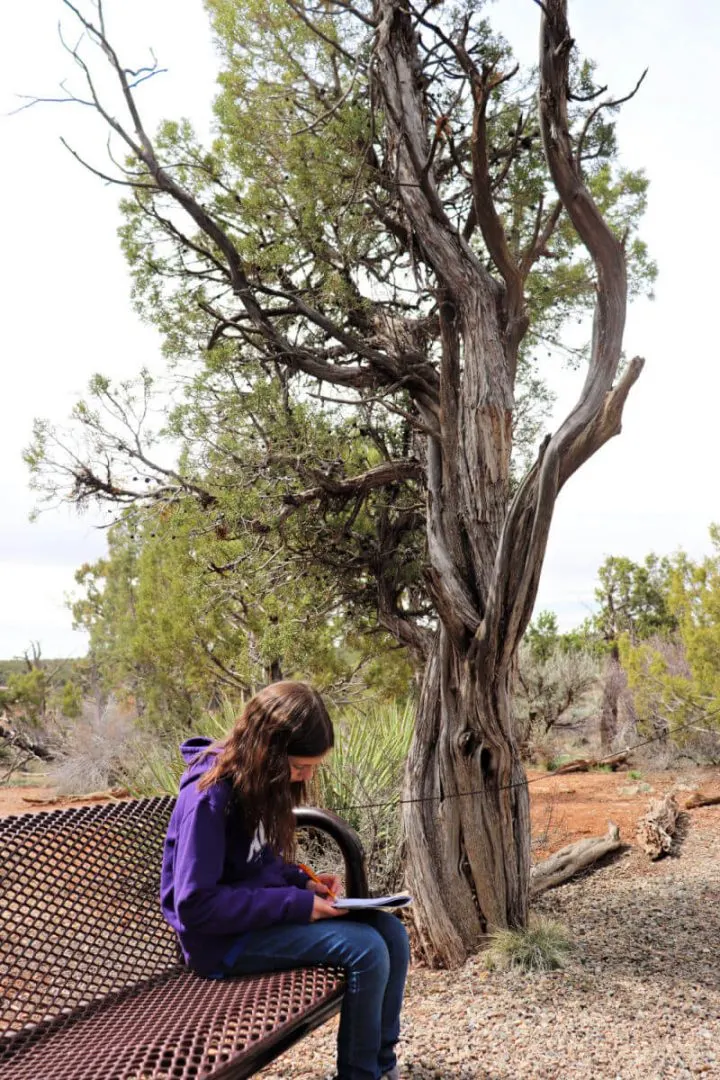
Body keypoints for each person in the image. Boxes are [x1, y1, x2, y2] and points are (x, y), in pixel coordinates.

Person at [160, 680, 409, 1080]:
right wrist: (297, 905)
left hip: (253, 924)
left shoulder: (254, 781)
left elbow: (254, 863)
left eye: (311, 767)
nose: (302, 777)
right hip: (221, 944)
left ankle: (382, 1066)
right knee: (366, 949)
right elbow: (195, 905)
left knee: (391, 933)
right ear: (267, 750)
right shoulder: (209, 799)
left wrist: (300, 882)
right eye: (298, 766)